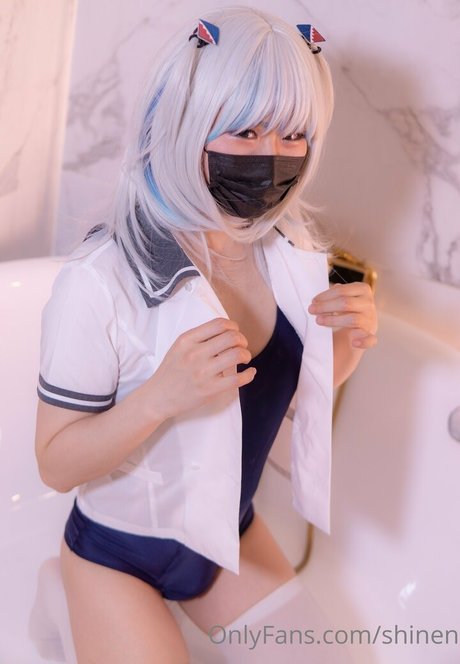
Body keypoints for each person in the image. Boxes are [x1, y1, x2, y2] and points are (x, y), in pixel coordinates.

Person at [35, 6, 377, 663]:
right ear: (187, 121)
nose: (271, 157)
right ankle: (63, 593)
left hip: (227, 538)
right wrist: (158, 398)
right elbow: (55, 464)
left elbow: (280, 442)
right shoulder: (99, 279)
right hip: (116, 552)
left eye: (293, 133)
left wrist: (341, 354)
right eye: (245, 130)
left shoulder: (293, 260)